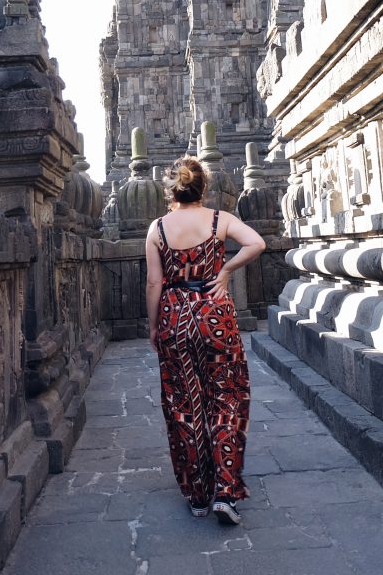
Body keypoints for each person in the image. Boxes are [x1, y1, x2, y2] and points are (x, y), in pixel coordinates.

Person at [145, 155, 266, 525]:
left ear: (171, 191)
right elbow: (256, 243)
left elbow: (154, 283)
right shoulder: (220, 220)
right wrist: (226, 269)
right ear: (203, 188)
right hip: (215, 315)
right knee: (226, 396)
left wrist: (153, 327)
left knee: (183, 402)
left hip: (174, 318)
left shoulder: (158, 228)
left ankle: (197, 493)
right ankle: (226, 491)